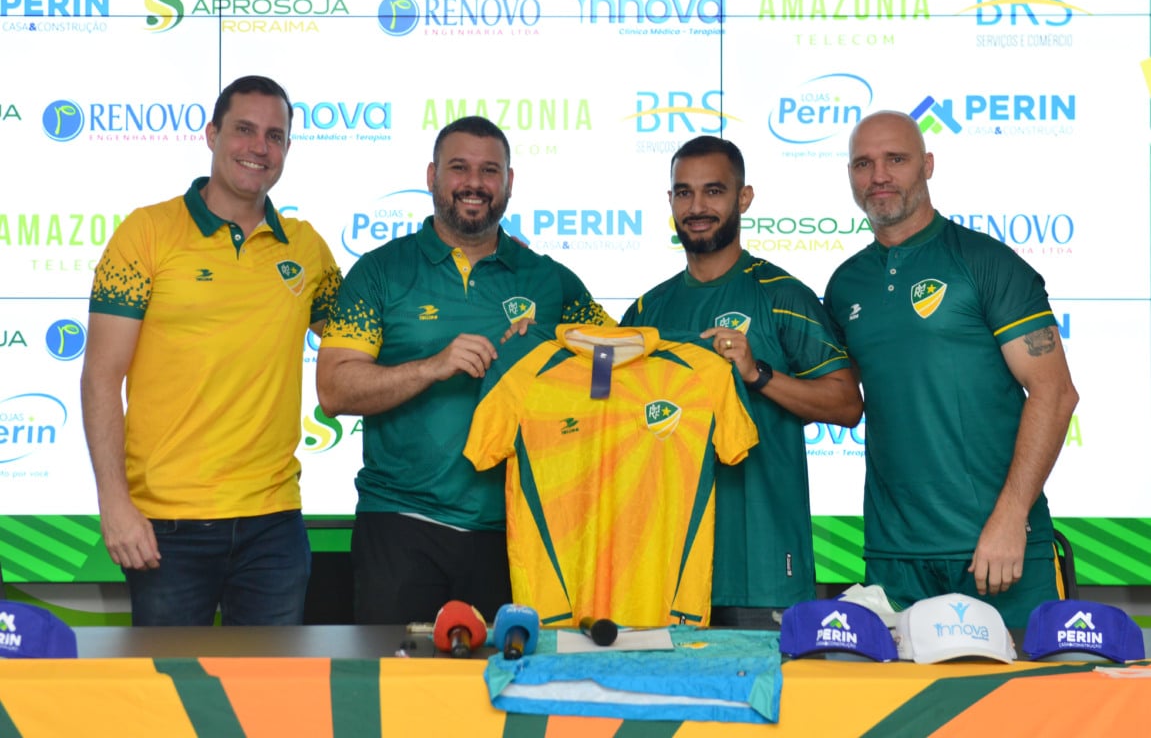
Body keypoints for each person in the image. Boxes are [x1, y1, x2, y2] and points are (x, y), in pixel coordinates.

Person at [316, 115, 614, 625]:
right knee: (398, 674)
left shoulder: (550, 280)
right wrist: (432, 367)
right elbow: (334, 390)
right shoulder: (380, 271)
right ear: (432, 176)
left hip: (516, 531)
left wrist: (556, 358)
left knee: (505, 675)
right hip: (401, 524)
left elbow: (611, 375)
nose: (474, 183)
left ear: (509, 182)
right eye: (459, 168)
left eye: (489, 171)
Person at [80, 75, 343, 626]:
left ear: (287, 149)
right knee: (168, 683)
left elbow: (364, 342)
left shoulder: (307, 247)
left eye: (275, 136)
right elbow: (101, 377)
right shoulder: (146, 233)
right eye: (244, 130)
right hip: (167, 527)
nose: (259, 147)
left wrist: (483, 274)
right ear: (212, 134)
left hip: (274, 524)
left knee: (270, 683)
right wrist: (114, 504)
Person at [823, 110, 1079, 628]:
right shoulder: (846, 284)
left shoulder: (985, 262)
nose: (879, 176)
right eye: (863, 163)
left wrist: (1011, 518)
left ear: (928, 165)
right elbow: (841, 400)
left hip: (997, 550)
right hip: (894, 559)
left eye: (896, 159)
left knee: (1027, 685)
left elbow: (1055, 394)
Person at [621, 136, 863, 628]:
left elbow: (846, 405)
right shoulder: (646, 311)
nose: (697, 207)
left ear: (744, 198)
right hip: (666, 566)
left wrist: (758, 375)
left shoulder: (781, 295)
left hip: (763, 564)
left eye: (713, 191)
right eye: (684, 193)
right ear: (670, 202)